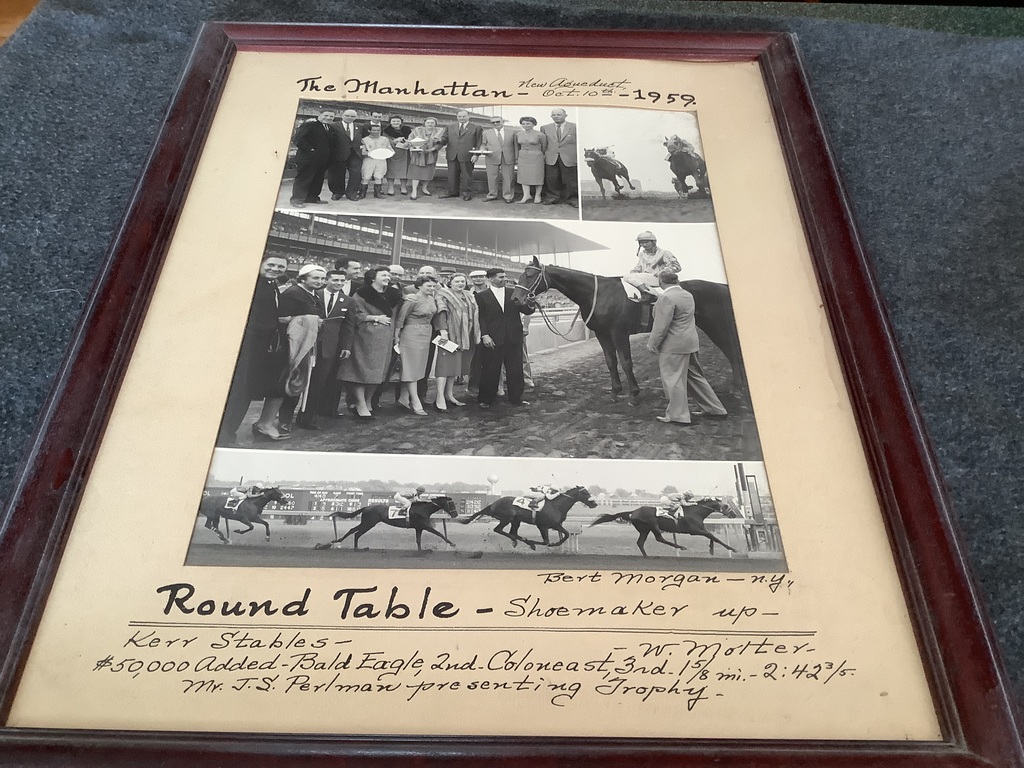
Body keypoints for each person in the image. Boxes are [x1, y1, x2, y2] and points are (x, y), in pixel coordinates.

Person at [218, 254, 290, 444]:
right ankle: (224, 435)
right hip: (247, 346)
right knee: (239, 392)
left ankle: (228, 433)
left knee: (245, 392)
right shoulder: (253, 284)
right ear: (261, 263)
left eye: (280, 267)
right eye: (271, 265)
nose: (275, 269)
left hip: (258, 347)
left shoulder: (271, 284)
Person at [646, 271, 728, 425]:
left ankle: (678, 416)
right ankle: (715, 408)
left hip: (673, 346)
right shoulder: (687, 295)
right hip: (690, 342)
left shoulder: (666, 298)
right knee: (695, 377)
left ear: (661, 282)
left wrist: (652, 344)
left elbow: (661, 325)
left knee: (673, 380)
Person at [338, 267, 396, 418]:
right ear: (373, 278)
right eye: (384, 275)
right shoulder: (362, 293)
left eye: (388, 275)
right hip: (365, 336)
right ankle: (360, 403)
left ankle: (368, 401)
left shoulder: (393, 294)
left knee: (378, 372)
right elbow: (355, 313)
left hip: (385, 338)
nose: (387, 277)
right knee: (362, 371)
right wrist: (375, 318)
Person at [474, 267, 535, 409]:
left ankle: (516, 398)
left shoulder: (513, 292)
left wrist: (531, 302)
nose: (504, 279)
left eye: (505, 276)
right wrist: (485, 335)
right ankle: (486, 399)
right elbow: (481, 317)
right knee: (490, 369)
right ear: (490, 279)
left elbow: (526, 310)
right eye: (501, 277)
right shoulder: (481, 296)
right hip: (492, 338)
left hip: (513, 336)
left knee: (515, 369)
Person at [277, 264, 327, 431]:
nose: (320, 281)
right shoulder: (293, 293)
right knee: (292, 378)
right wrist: (310, 320)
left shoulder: (313, 294)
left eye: (322, 278)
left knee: (301, 379)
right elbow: (282, 318)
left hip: (309, 342)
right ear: (304, 278)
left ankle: (289, 418)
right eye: (315, 278)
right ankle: (284, 420)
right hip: (293, 343)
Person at [432, 272, 480, 411]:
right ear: (450, 282)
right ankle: (439, 397)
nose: (460, 284)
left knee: (454, 367)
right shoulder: (443, 294)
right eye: (457, 281)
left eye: (462, 281)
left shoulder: (468, 295)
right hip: (448, 334)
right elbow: (441, 313)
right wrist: (443, 332)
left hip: (464, 336)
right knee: (444, 367)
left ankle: (449, 395)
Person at [393, 275, 439, 416]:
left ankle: (403, 398)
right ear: (419, 286)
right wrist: (396, 336)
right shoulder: (412, 299)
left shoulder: (431, 299)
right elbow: (401, 318)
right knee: (411, 367)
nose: (431, 288)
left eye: (433, 286)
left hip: (426, 334)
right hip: (411, 334)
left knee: (419, 367)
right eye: (428, 286)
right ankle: (415, 401)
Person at [289, 109, 335, 207]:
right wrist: (310, 149)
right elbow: (298, 139)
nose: (328, 118)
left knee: (317, 180)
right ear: (319, 115)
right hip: (308, 159)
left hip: (322, 160)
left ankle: (312, 198)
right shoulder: (310, 125)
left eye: (331, 116)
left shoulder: (329, 127)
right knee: (304, 179)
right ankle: (297, 200)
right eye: (326, 115)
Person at [440, 109, 482, 201]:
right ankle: (452, 192)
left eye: (464, 116)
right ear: (457, 117)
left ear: (469, 116)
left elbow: (479, 143)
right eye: (459, 116)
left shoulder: (476, 127)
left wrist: (476, 154)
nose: (461, 118)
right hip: (452, 154)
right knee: (452, 175)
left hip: (467, 155)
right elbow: (444, 139)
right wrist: (438, 140)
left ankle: (467, 193)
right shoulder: (450, 127)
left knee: (467, 176)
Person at [540, 107, 578, 206]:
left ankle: (573, 199)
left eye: (559, 114)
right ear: (551, 116)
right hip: (551, 157)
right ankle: (552, 197)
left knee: (571, 179)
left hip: (569, 157)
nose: (556, 116)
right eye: (554, 115)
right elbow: (543, 144)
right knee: (552, 179)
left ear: (565, 115)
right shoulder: (545, 128)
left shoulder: (575, 127)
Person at [327, 109, 363, 202]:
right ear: (342, 115)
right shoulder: (333, 126)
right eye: (347, 115)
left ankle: (351, 193)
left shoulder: (360, 126)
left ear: (356, 117)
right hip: (339, 153)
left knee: (356, 174)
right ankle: (337, 192)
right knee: (337, 174)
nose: (349, 118)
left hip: (355, 154)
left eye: (352, 116)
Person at [480, 116, 517, 203]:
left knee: (508, 177)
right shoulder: (486, 133)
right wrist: (483, 150)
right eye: (493, 122)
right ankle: (492, 195)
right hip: (492, 156)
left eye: (498, 121)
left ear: (503, 122)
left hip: (508, 157)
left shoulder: (512, 132)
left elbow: (515, 146)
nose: (495, 123)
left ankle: (508, 196)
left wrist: (516, 158)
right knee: (492, 177)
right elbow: (483, 144)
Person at [407, 117, 444, 199]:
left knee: (428, 172)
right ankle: (414, 191)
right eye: (428, 122)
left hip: (431, 154)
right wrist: (415, 147)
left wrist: (432, 149)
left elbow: (442, 142)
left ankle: (424, 188)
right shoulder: (417, 130)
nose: (430, 124)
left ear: (435, 124)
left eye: (432, 123)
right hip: (418, 155)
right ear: (424, 123)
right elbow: (410, 140)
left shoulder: (440, 132)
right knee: (416, 173)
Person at [513, 116, 546, 204]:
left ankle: (538, 195)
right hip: (523, 156)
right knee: (523, 176)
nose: (525, 125)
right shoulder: (518, 134)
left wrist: (539, 154)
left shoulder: (540, 135)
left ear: (534, 124)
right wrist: (516, 158)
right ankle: (526, 195)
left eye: (528, 123)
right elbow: (517, 147)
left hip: (536, 157)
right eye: (523, 124)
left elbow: (544, 147)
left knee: (537, 176)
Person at [359, 123, 393, 199]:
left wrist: (386, 153)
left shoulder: (385, 139)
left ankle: (377, 193)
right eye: (374, 130)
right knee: (366, 176)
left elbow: (390, 149)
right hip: (369, 159)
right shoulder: (364, 140)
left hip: (381, 159)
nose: (376, 132)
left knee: (378, 176)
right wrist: (371, 154)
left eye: (378, 130)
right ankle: (362, 193)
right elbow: (363, 152)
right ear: (369, 130)